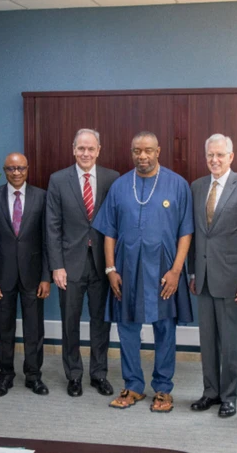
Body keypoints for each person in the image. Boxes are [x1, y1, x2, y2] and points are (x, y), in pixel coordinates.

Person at [93, 131, 194, 413]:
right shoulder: (120, 186)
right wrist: (110, 269)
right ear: (132, 152)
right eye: (137, 151)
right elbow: (109, 231)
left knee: (165, 328)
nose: (143, 156)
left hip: (164, 269)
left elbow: (186, 232)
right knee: (127, 326)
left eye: (148, 150)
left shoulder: (178, 184)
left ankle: (163, 388)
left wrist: (176, 271)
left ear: (158, 151)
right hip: (126, 268)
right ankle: (133, 385)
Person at [188, 133, 237, 419]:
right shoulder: (197, 187)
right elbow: (195, 234)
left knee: (231, 342)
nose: (214, 160)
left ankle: (229, 396)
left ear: (231, 157)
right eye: (210, 155)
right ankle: (211, 392)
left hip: (233, 279)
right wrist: (192, 271)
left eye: (220, 155)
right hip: (203, 277)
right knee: (207, 341)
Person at [46, 128, 119, 397]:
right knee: (70, 322)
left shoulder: (112, 178)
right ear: (73, 149)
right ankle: (74, 375)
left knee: (101, 322)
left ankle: (99, 374)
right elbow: (52, 226)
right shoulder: (58, 179)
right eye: (81, 148)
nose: (85, 153)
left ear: (99, 150)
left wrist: (114, 265)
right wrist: (57, 265)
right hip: (69, 264)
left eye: (90, 148)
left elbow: (117, 223)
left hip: (103, 263)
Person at [0, 153, 51, 397]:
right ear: (4, 170)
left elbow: (48, 240)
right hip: (2, 277)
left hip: (33, 276)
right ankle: (5, 376)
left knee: (34, 329)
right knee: (3, 329)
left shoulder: (42, 197)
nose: (16, 173)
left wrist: (46, 276)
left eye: (21, 168)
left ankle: (34, 376)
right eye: (11, 168)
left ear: (27, 169)